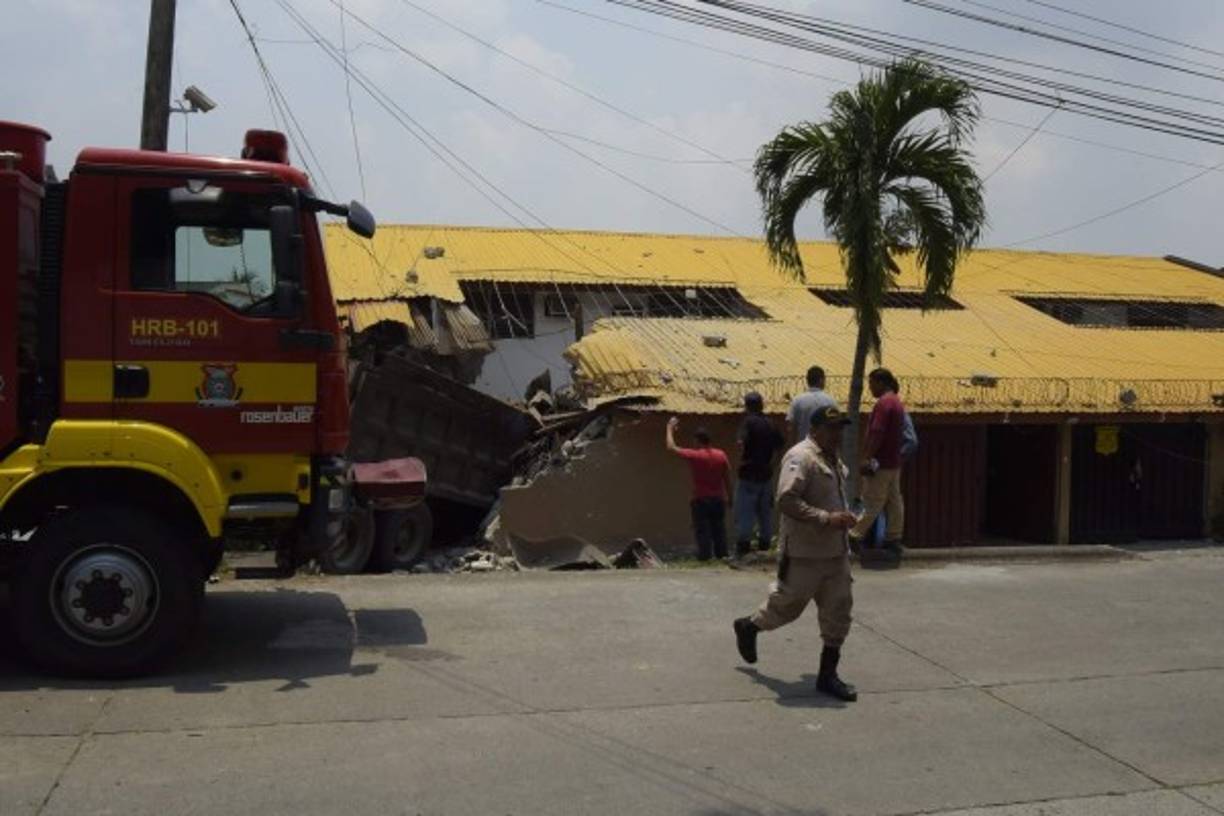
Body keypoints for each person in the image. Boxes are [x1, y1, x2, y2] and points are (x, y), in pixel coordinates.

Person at [733, 405, 859, 702]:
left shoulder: (832, 458)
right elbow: (786, 500)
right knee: (786, 608)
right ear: (814, 430)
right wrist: (826, 518)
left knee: (839, 612)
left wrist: (845, 518)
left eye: (840, 429)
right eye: (831, 428)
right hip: (804, 553)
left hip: (835, 553)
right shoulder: (800, 457)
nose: (837, 434)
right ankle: (749, 626)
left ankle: (828, 676)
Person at [850, 368, 906, 555]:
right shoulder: (896, 402)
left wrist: (866, 457)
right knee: (894, 501)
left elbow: (877, 433)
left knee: (871, 501)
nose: (870, 388)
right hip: (894, 463)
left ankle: (854, 534)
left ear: (882, 383)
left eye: (872, 384)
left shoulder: (884, 404)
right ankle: (893, 537)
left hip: (880, 463)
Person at [666, 417, 733, 561]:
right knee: (719, 530)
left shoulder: (695, 455)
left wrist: (669, 428)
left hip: (701, 500)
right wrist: (730, 497)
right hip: (718, 499)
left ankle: (705, 556)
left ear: (697, 440)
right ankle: (722, 555)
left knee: (702, 530)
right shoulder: (721, 455)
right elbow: (727, 479)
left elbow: (671, 447)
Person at [734, 392, 785, 557]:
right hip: (766, 475)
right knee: (765, 513)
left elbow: (740, 443)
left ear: (747, 406)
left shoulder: (748, 422)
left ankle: (743, 547)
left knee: (745, 511)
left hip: (748, 474)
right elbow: (779, 447)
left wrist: (742, 459)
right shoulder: (771, 424)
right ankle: (765, 546)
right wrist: (772, 465)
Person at [786, 365, 836, 444]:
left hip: (802, 447)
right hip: (823, 447)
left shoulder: (797, 401)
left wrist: (792, 447)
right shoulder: (830, 401)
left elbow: (791, 428)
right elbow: (835, 427)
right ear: (821, 380)